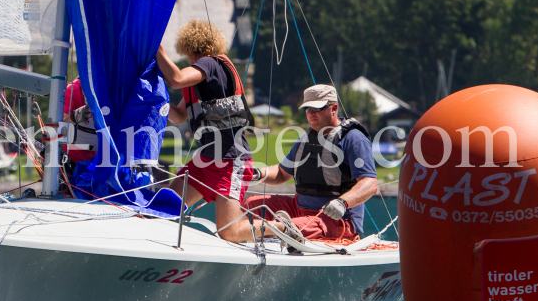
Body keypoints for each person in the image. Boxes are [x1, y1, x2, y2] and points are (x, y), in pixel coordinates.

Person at [155, 19, 259, 243]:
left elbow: (176, 79)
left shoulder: (210, 64)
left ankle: (280, 227)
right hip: (205, 160)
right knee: (165, 206)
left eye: (189, 55)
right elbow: (180, 116)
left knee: (229, 233)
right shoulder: (202, 80)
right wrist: (156, 103)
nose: (188, 60)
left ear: (195, 50)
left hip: (232, 161)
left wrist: (156, 47)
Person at [246, 84, 378, 243]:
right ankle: (238, 241)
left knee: (286, 226)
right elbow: (282, 173)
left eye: (317, 108)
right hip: (299, 211)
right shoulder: (305, 139)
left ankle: (279, 234)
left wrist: (342, 202)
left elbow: (370, 184)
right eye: (307, 109)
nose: (311, 114)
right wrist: (259, 174)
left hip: (335, 220)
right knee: (250, 204)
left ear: (333, 108)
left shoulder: (354, 139)